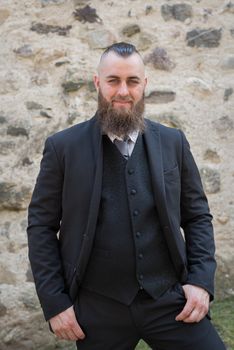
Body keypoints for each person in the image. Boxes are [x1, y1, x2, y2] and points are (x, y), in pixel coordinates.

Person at [27, 42, 226, 350]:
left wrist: (200, 281)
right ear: (97, 83)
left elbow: (197, 215)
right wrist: (55, 302)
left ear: (144, 85)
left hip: (169, 300)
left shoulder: (173, 142)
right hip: (97, 307)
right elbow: (40, 226)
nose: (123, 91)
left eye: (132, 81)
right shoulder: (62, 147)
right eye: (113, 81)